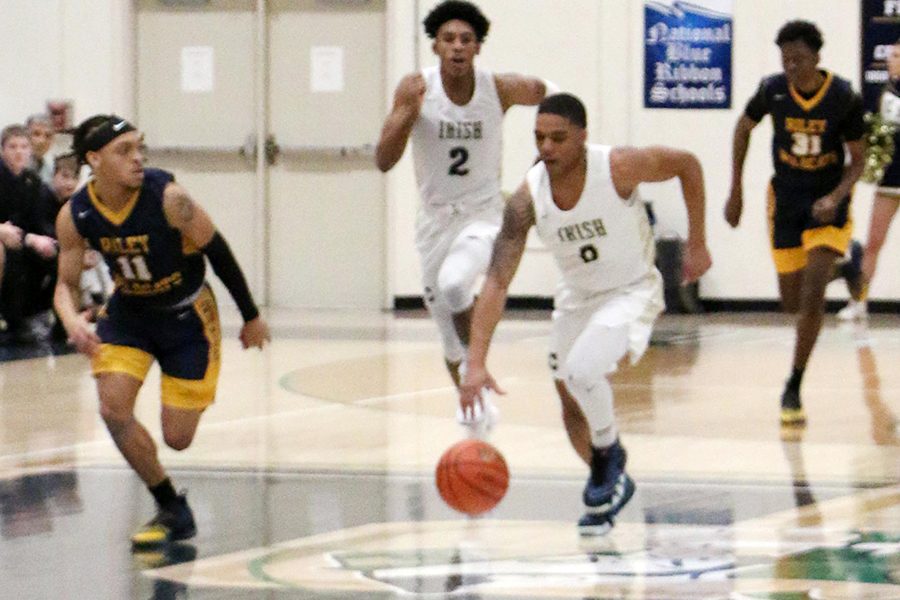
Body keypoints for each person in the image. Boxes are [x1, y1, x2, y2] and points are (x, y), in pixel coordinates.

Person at [459, 93, 711, 535]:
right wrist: (476, 362)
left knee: (581, 371)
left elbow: (688, 164)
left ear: (582, 137)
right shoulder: (527, 199)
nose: (547, 148)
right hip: (577, 297)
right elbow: (497, 281)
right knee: (569, 400)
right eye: (540, 138)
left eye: (558, 138)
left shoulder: (617, 167)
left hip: (631, 291)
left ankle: (609, 453)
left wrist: (698, 241)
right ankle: (609, 483)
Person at [54, 114, 271, 547]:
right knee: (113, 410)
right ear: (93, 159)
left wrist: (250, 315)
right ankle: (171, 506)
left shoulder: (168, 197)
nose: (138, 158)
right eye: (124, 151)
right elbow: (66, 285)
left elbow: (217, 250)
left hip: (187, 316)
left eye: (140, 147)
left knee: (178, 439)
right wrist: (71, 319)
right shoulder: (75, 213)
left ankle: (184, 417)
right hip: (130, 313)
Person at [375, 0, 555, 434]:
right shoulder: (416, 88)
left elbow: (552, 93)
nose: (457, 47)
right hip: (434, 223)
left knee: (456, 283)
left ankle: (479, 365)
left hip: (483, 215)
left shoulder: (499, 88)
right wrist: (405, 116)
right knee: (449, 340)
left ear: (478, 48)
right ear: (435, 46)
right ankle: (475, 411)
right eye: (449, 39)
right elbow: (383, 160)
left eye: (466, 40)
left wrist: (542, 159)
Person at [724, 20, 865, 426]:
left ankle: (794, 385)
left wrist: (835, 197)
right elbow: (743, 127)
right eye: (786, 59)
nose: (791, 66)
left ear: (817, 57)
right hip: (785, 200)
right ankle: (847, 266)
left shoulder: (842, 97)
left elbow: (858, 161)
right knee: (792, 303)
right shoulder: (772, 90)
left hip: (827, 201)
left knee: (813, 293)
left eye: (799, 59)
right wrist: (736, 190)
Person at [837, 38, 900, 321]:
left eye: (897, 56)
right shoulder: (884, 92)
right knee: (873, 243)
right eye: (890, 56)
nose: (891, 60)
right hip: (891, 179)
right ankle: (859, 302)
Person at [0, 124, 58, 341]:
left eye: (24, 146)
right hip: (5, 242)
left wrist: (42, 239)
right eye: (12, 146)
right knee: (7, 254)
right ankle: (13, 321)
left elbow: (38, 222)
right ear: (2, 150)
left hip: (23, 239)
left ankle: (42, 317)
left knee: (57, 254)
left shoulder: (32, 181)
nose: (19, 151)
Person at [27, 114, 56, 186]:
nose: (42, 141)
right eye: (36, 134)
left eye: (48, 136)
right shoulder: (11, 165)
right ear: (25, 136)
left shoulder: (54, 169)